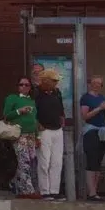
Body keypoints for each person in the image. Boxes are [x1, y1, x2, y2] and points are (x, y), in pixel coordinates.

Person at [0, 76, 40, 198]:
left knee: (32, 161)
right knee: (24, 161)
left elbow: (35, 119)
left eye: (26, 85)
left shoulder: (32, 101)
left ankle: (16, 185)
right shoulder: (12, 98)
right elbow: (6, 115)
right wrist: (19, 111)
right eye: (21, 84)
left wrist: (38, 136)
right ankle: (27, 190)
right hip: (19, 134)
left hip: (31, 135)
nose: (24, 87)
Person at [36, 69, 68, 200]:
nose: (56, 83)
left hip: (57, 129)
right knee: (44, 162)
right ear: (45, 80)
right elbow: (33, 109)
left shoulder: (57, 92)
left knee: (57, 162)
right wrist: (37, 124)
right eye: (54, 81)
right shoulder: (36, 92)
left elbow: (60, 108)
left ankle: (54, 190)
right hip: (44, 130)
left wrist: (62, 118)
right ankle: (45, 191)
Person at [79, 76, 105, 202]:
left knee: (98, 162)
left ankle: (95, 192)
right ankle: (91, 192)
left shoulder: (102, 98)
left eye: (99, 84)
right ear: (90, 84)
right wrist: (99, 108)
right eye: (94, 83)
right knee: (91, 161)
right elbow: (85, 116)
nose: (96, 85)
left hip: (102, 132)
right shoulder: (86, 98)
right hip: (91, 132)